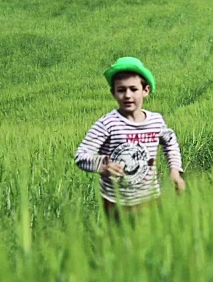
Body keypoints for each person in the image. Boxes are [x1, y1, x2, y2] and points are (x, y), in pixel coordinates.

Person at [74, 56, 186, 221]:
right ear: (113, 93)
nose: (127, 95)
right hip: (116, 203)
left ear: (145, 90)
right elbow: (81, 155)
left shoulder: (156, 121)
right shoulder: (107, 124)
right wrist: (104, 165)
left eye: (133, 89)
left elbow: (170, 143)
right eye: (121, 90)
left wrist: (175, 171)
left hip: (151, 198)